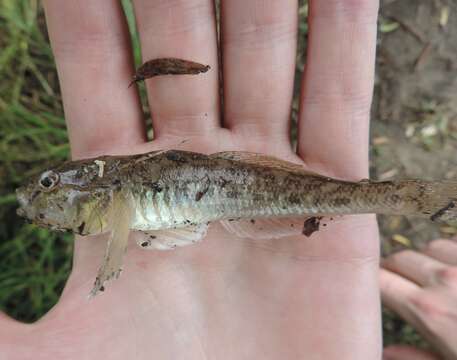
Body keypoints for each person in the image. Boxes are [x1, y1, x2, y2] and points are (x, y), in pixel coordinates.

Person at [1, 1, 455, 359]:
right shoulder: (111, 193)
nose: (39, 197)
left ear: (87, 183)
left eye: (47, 184)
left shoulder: (114, 193)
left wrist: (108, 271)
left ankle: (408, 198)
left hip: (227, 188)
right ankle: (407, 199)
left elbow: (123, 226)